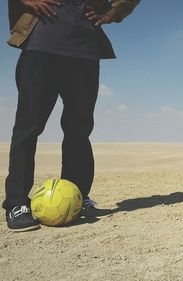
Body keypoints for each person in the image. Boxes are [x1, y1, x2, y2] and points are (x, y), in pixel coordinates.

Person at [4, 0, 140, 232]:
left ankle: (77, 197)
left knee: (79, 130)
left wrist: (113, 12)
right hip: (40, 44)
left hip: (85, 51)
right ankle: (16, 203)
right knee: (28, 128)